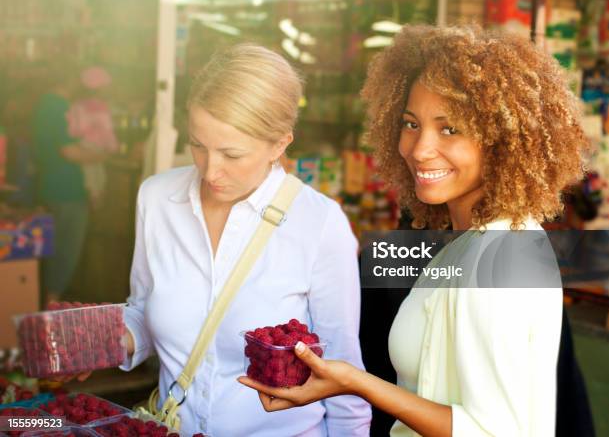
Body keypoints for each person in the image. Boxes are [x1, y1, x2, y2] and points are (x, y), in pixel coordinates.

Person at [239, 25, 590, 436]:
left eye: (450, 129)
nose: (420, 149)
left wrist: (353, 382)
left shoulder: (500, 256)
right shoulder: (468, 243)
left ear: (502, 140)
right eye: (410, 123)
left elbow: (493, 431)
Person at [119, 44, 371, 437]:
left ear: (279, 144)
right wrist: (105, 341)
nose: (210, 170)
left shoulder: (319, 223)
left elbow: (343, 372)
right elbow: (145, 308)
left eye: (231, 154)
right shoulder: (156, 198)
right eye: (198, 146)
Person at [31, 64, 108, 305]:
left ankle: (46, 303)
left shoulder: (43, 105)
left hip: (49, 187)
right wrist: (102, 157)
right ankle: (51, 307)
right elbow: (70, 151)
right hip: (68, 191)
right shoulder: (60, 107)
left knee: (52, 252)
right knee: (65, 252)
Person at [66, 66, 119, 208]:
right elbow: (107, 129)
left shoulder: (76, 105)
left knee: (89, 176)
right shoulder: (101, 107)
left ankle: (92, 197)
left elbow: (73, 126)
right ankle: (96, 201)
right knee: (98, 176)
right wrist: (113, 147)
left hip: (81, 144)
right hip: (97, 147)